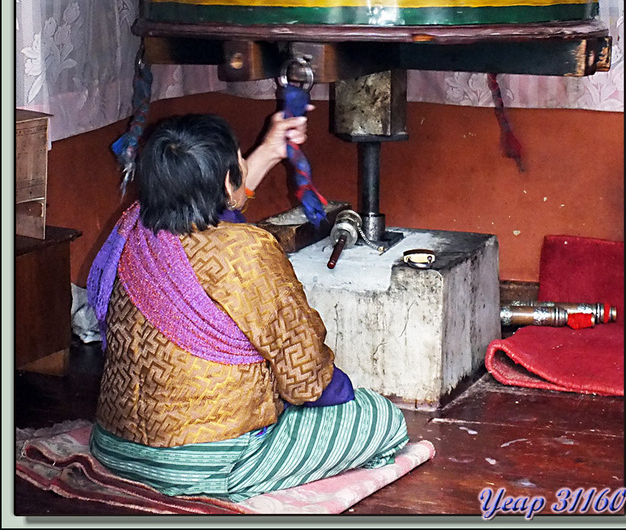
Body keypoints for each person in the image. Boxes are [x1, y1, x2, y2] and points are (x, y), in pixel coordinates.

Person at [87, 110, 408, 502]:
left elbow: (218, 205)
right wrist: (345, 396)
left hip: (115, 447)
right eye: (239, 158)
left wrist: (271, 149)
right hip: (203, 463)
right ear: (225, 179)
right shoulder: (247, 251)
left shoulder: (134, 227)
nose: (244, 164)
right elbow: (306, 376)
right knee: (382, 419)